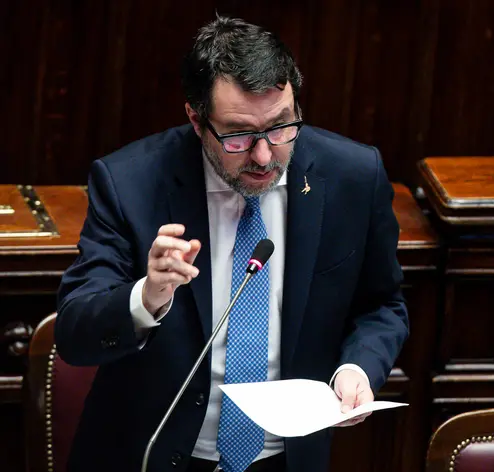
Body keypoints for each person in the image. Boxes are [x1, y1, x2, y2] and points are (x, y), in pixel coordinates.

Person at [54, 15, 408, 472]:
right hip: (158, 456)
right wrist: (147, 295)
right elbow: (75, 336)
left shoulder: (352, 177)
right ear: (196, 119)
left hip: (286, 459)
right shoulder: (129, 183)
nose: (264, 156)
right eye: (240, 136)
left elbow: (382, 305)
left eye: (281, 127)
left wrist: (357, 368)